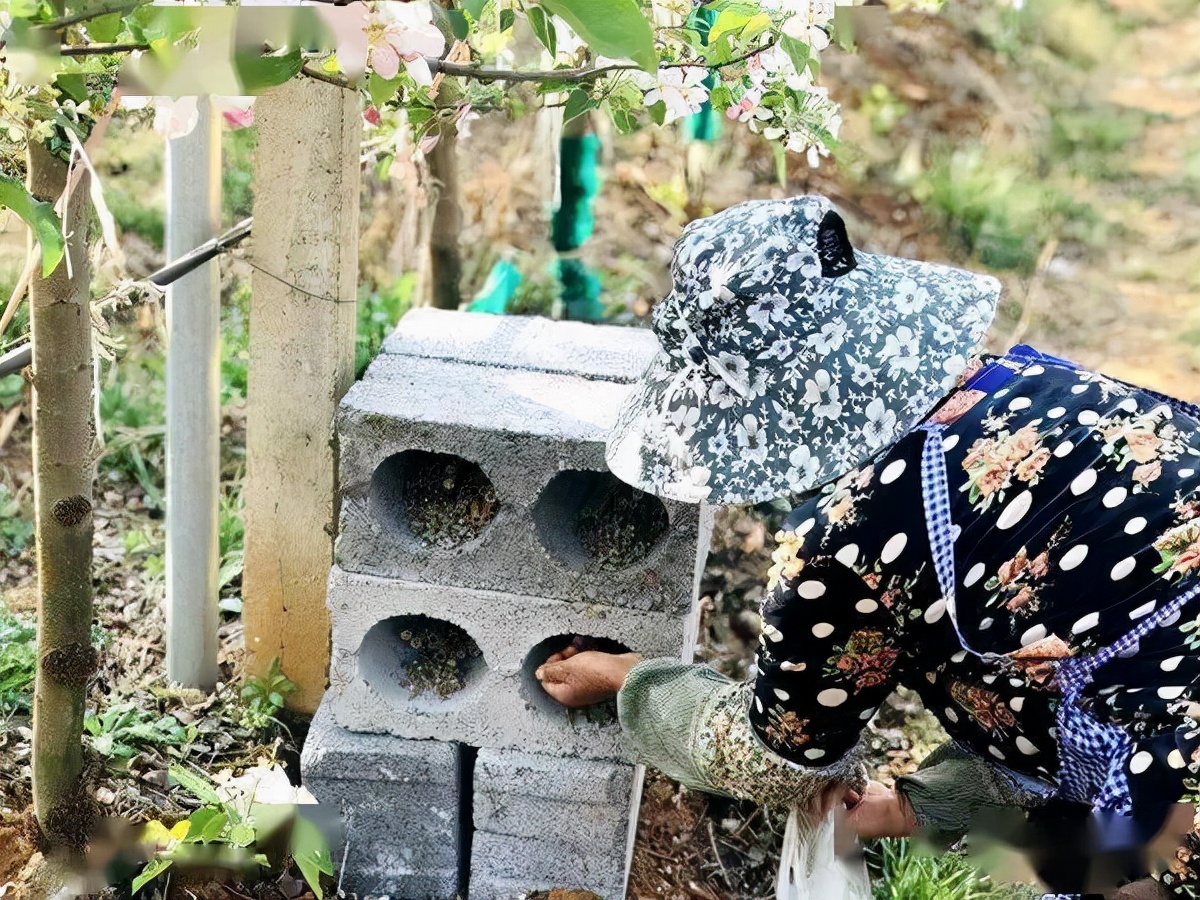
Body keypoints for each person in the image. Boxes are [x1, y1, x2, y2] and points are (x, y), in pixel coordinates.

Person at [534, 196, 1200, 900]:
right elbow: (1063, 678)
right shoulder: (1035, 385)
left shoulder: (848, 540)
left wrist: (629, 677)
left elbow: (777, 760)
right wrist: (925, 802)